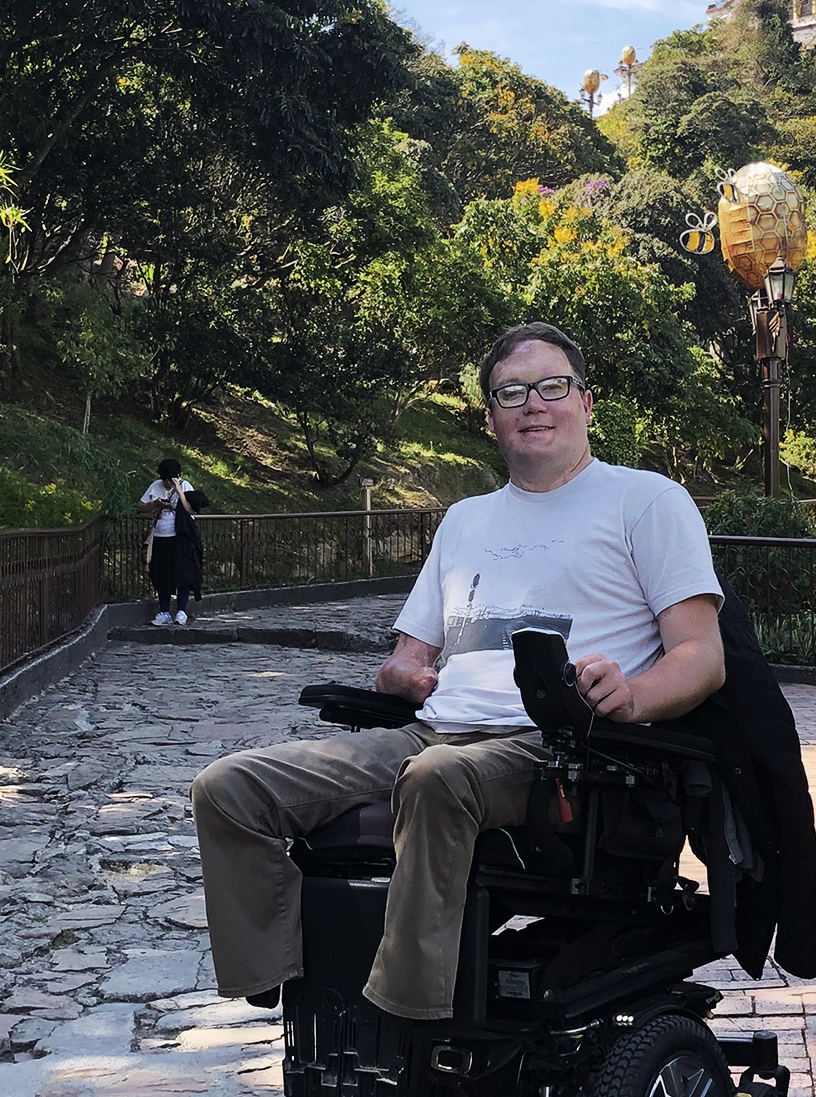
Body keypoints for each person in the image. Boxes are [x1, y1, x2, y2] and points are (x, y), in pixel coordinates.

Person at [190, 322, 726, 1021]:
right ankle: (295, 982)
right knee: (228, 789)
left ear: (587, 404)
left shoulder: (645, 502)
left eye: (552, 387)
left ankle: (400, 1017)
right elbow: (412, 653)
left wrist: (631, 694)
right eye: (512, 392)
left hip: (561, 749)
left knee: (435, 780)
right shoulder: (465, 520)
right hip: (433, 733)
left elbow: (702, 656)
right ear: (491, 417)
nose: (533, 403)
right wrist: (401, 675)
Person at [139, 457, 207, 626]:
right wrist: (156, 504)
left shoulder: (185, 486)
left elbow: (192, 510)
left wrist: (179, 491)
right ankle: (164, 611)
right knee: (161, 574)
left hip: (180, 536)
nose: (167, 483)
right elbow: (139, 507)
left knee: (182, 574)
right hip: (161, 535)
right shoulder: (155, 486)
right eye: (165, 480)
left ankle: (182, 611)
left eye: (170, 480)